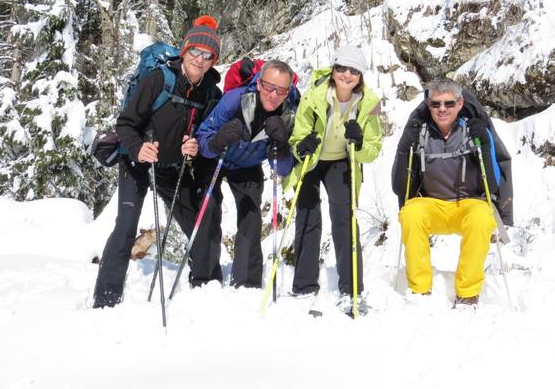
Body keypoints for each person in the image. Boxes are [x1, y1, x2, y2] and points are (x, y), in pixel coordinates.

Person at [93, 15, 223, 308]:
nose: (200, 60)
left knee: (200, 224)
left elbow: (206, 135)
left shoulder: (211, 93)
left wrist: (195, 146)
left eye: (208, 56)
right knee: (126, 226)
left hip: (172, 168)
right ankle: (105, 300)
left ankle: (206, 287)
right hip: (137, 163)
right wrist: (138, 148)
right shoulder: (159, 80)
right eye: (195, 52)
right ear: (184, 51)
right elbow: (125, 124)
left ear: (213, 61)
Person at [391, 77, 513, 308]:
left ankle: (468, 293)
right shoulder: (420, 134)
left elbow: (493, 185)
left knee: (481, 217)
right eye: (436, 104)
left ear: (460, 103)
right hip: (431, 204)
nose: (442, 109)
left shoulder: (473, 131)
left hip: (468, 204)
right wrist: (405, 148)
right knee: (410, 213)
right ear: (429, 105)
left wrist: (484, 146)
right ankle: (419, 289)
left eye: (448, 103)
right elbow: (400, 187)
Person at [285, 45, 382, 316]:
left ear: (361, 75)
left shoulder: (369, 103)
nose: (346, 75)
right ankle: (304, 287)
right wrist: (302, 146)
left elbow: (373, 149)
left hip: (341, 161)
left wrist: (359, 143)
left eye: (353, 70)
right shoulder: (314, 96)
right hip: (313, 159)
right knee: (308, 217)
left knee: (345, 219)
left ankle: (352, 290)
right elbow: (297, 139)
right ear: (333, 70)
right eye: (341, 68)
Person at [196, 60, 298, 288]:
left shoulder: (288, 114)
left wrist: (281, 145)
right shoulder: (235, 100)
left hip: (248, 164)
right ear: (259, 84)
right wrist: (217, 140)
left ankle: (247, 282)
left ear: (288, 91)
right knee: (208, 207)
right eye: (269, 87)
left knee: (251, 214)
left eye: (281, 90)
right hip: (217, 159)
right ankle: (205, 278)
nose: (273, 95)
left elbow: (282, 169)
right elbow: (202, 137)